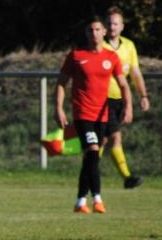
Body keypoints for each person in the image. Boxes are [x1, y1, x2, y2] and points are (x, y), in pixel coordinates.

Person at [54, 16, 133, 214]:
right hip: (82, 113)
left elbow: (123, 84)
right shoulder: (76, 56)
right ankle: (97, 199)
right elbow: (61, 83)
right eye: (90, 30)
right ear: (86, 33)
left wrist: (128, 106)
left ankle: (80, 201)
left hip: (102, 115)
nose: (94, 33)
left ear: (104, 32)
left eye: (98, 29)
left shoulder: (111, 57)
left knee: (91, 157)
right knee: (93, 149)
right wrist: (59, 108)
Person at [102, 6, 150, 189]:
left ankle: (90, 171)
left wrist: (143, 95)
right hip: (102, 99)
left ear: (122, 26)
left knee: (103, 140)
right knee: (115, 137)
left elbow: (135, 73)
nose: (112, 27)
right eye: (109, 23)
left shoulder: (129, 46)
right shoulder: (101, 46)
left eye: (115, 23)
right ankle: (127, 177)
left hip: (120, 99)